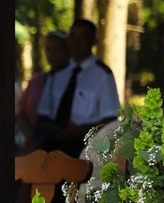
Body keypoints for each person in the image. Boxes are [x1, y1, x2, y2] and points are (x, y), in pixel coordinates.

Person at [32, 19, 120, 158]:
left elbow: (110, 120)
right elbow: (43, 113)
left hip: (84, 148)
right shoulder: (57, 73)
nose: (76, 43)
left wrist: (81, 130)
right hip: (52, 145)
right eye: (72, 37)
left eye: (82, 38)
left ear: (93, 41)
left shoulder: (102, 75)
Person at [15, 31, 69, 151]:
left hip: (62, 145)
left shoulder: (75, 80)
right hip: (34, 143)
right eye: (48, 49)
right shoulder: (36, 80)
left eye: (57, 49)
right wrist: (31, 137)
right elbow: (21, 112)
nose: (52, 54)